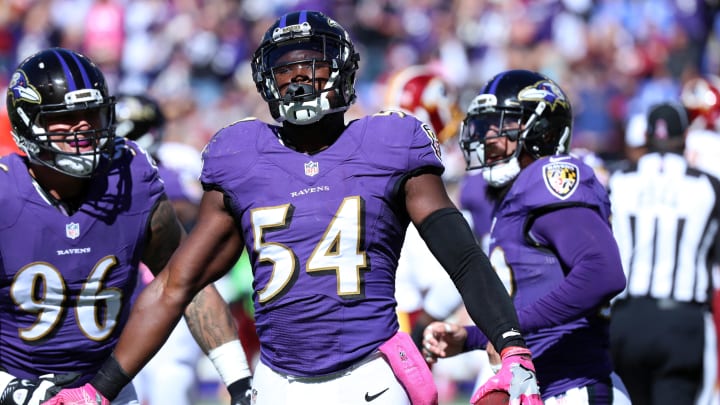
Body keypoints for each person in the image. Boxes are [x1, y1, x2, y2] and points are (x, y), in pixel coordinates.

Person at [43, 11, 542, 405]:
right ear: (266, 80)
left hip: (370, 375)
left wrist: (511, 342)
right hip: (277, 382)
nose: (299, 80)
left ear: (342, 71)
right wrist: (99, 390)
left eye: (313, 65)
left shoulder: (389, 142)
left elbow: (462, 256)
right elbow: (178, 284)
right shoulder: (241, 156)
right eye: (286, 70)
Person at [0, 47, 252, 405]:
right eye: (67, 117)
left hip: (105, 388)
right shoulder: (5, 195)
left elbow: (187, 280)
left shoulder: (129, 176)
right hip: (18, 387)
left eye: (92, 114)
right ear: (28, 122)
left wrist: (239, 381)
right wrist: (8, 388)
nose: (82, 129)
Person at [422, 69, 630, 404]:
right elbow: (536, 298)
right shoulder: (513, 194)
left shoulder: (549, 178)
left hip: (574, 388)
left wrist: (511, 328)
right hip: (540, 386)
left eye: (501, 124)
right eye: (485, 124)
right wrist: (470, 338)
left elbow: (602, 272)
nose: (488, 136)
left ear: (543, 130)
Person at [608, 101, 720, 405]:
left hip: (627, 319)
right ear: (685, 137)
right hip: (682, 320)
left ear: (645, 135)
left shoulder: (618, 181)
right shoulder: (709, 186)